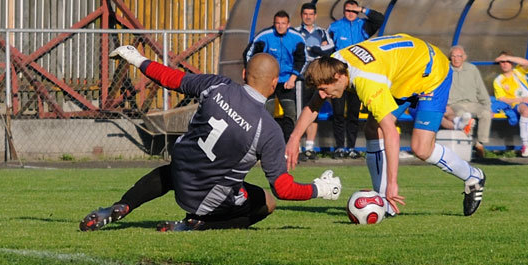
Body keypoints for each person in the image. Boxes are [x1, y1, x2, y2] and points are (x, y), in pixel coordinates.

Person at [80, 48, 341, 232]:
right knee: (267, 202)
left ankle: (123, 205)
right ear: (274, 84)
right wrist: (320, 189)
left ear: (243, 74)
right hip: (205, 200)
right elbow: (282, 189)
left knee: (175, 169)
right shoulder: (268, 129)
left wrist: (136, 59)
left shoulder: (217, 86)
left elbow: (171, 79)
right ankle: (200, 225)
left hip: (181, 173)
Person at [286, 34, 486, 217]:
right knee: (373, 128)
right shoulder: (334, 63)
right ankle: (383, 202)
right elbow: (313, 105)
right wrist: (294, 139)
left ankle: (474, 177)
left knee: (421, 148)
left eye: (323, 89)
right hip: (403, 73)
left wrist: (393, 184)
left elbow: (392, 133)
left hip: (431, 73)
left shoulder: (366, 81)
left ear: (338, 77)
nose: (322, 95)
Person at [327, 0, 385, 159]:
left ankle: (351, 147)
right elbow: (327, 49)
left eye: (353, 10)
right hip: (338, 76)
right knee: (338, 113)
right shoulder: (335, 27)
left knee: (353, 113)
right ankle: (339, 147)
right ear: (343, 11)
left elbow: (380, 19)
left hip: (357, 76)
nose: (350, 13)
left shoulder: (363, 25)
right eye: (347, 10)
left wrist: (362, 9)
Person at [244, 10, 306, 141]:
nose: (280, 26)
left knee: (290, 113)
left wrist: (293, 78)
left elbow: (302, 59)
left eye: (283, 23)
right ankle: (264, 143)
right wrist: (254, 77)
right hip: (266, 80)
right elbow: (249, 55)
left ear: (288, 24)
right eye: (277, 23)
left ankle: (288, 145)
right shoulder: (264, 36)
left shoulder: (297, 38)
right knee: (266, 113)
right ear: (274, 24)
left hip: (287, 81)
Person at [296, 2, 334, 161]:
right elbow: (299, 51)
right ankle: (297, 147)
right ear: (301, 15)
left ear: (315, 16)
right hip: (302, 77)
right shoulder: (296, 32)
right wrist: (317, 49)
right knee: (300, 111)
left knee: (314, 110)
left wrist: (317, 49)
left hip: (318, 78)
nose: (308, 17)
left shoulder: (322, 32)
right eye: (305, 14)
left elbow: (330, 48)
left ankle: (310, 148)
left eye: (311, 14)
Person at [440, 45, 493, 158]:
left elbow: (481, 89)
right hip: (454, 104)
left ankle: (480, 144)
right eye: (453, 56)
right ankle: (467, 143)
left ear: (464, 57)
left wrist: (487, 106)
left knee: (486, 113)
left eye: (459, 56)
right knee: (463, 115)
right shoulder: (445, 69)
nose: (456, 59)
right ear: (450, 58)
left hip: (473, 103)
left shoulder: (472, 69)